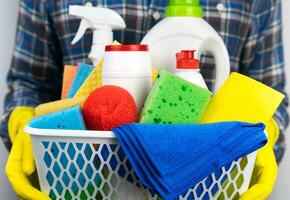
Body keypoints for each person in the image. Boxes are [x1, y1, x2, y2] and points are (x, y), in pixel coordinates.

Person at [1, 0, 288, 199]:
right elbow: (28, 82)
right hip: (79, 183)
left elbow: (272, 92)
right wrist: (23, 124)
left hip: (209, 187)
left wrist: (264, 136)